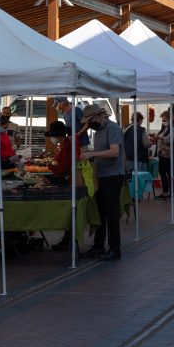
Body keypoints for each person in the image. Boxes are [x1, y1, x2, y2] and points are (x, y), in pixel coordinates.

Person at [80, 104, 125, 261]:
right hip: (102, 175)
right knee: (100, 213)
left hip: (113, 176)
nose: (89, 123)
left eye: (90, 120)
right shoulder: (98, 130)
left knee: (111, 213)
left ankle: (115, 249)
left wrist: (92, 154)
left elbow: (114, 151)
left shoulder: (112, 129)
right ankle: (98, 246)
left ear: (99, 116)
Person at [46, 120, 80, 252]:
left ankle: (68, 239)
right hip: (66, 178)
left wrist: (51, 166)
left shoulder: (67, 145)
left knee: (69, 211)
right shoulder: (64, 144)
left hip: (67, 180)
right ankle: (67, 238)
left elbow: (65, 165)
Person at [154, 110, 174, 199]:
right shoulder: (165, 128)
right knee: (162, 172)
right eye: (162, 120)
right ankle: (165, 192)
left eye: (165, 120)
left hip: (169, 155)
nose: (163, 122)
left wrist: (160, 138)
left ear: (169, 119)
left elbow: (171, 139)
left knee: (170, 174)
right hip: (162, 154)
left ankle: (172, 192)